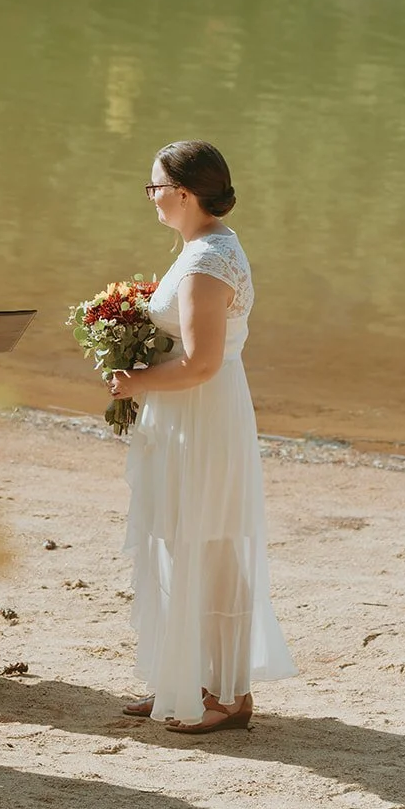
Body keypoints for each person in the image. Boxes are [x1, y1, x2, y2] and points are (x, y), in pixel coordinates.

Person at [109, 140, 296, 733]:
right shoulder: (208, 246)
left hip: (202, 415)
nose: (152, 197)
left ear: (183, 193)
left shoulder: (204, 261)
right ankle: (183, 679)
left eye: (155, 187)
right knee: (184, 541)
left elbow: (200, 363)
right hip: (192, 415)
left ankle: (230, 695)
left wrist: (135, 379)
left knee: (210, 546)